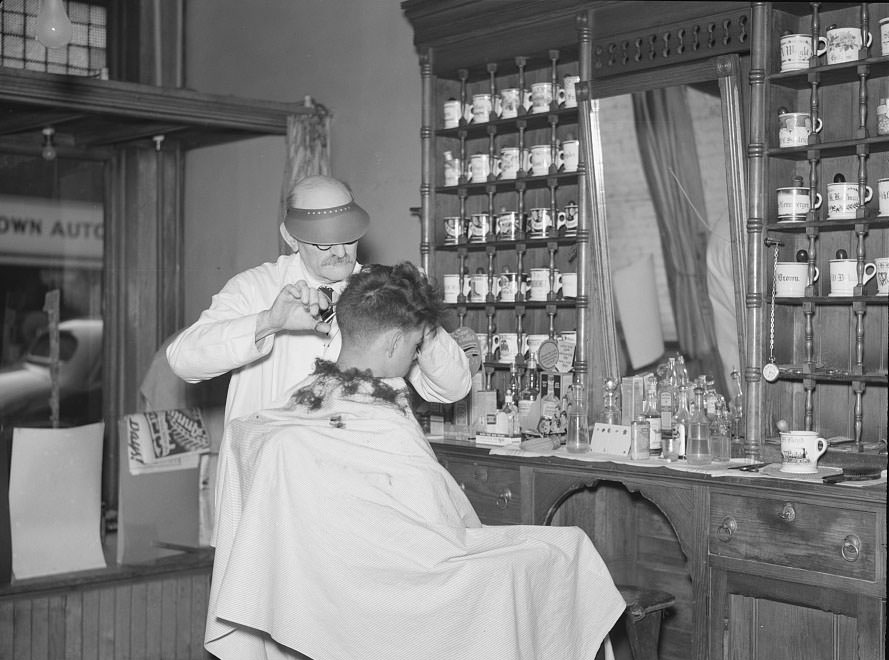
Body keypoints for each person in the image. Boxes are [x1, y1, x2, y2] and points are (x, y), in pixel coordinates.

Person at [205, 262, 625, 660]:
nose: (413, 358)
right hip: (396, 592)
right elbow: (443, 527)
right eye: (414, 345)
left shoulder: (289, 411)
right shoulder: (380, 418)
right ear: (393, 342)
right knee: (570, 551)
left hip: (327, 588)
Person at [166, 176, 471, 541]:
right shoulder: (255, 288)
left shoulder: (379, 292)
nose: (341, 252)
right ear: (291, 236)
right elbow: (183, 359)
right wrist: (269, 323)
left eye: (349, 238)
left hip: (354, 498)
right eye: (325, 243)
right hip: (269, 496)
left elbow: (452, 388)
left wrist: (418, 311)